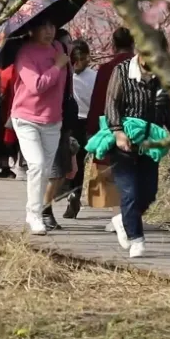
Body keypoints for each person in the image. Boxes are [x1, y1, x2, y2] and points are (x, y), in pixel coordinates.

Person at [103, 30, 170, 257]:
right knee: (130, 191)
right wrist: (118, 132)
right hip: (125, 139)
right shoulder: (122, 71)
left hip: (150, 141)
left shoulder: (163, 75)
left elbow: (167, 108)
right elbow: (112, 104)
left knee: (149, 192)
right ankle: (136, 237)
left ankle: (123, 219)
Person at [11, 17, 69, 235]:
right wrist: (57, 66)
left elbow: (64, 85)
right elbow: (36, 86)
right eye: (43, 26)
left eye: (52, 25)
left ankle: (34, 210)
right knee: (36, 164)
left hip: (52, 119)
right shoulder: (25, 54)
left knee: (45, 169)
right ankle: (35, 214)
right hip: (26, 117)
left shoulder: (58, 48)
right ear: (32, 30)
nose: (49, 30)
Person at [85, 27, 136, 232]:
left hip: (111, 125)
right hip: (137, 124)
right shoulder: (142, 66)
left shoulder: (106, 69)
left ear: (113, 46)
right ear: (133, 44)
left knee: (114, 172)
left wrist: (92, 128)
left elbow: (98, 100)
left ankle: (119, 216)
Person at [41, 29, 80, 230]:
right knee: (56, 171)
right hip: (54, 120)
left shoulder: (68, 66)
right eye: (67, 43)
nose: (71, 46)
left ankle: (45, 207)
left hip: (66, 122)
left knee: (63, 170)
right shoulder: (55, 65)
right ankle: (44, 211)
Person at [63, 39, 96, 219]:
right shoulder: (65, 74)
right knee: (67, 160)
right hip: (68, 121)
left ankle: (74, 194)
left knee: (79, 161)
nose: (78, 64)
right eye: (75, 60)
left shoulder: (94, 76)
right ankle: (70, 192)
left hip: (85, 122)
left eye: (82, 59)